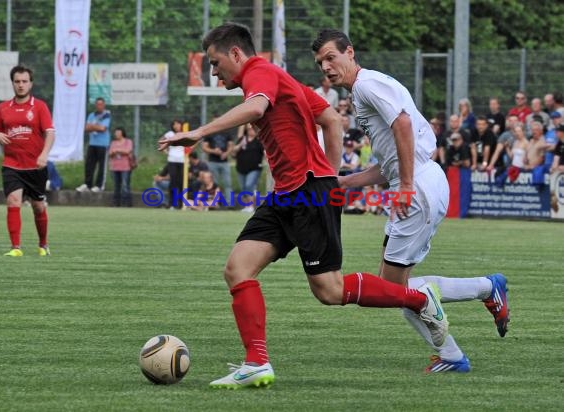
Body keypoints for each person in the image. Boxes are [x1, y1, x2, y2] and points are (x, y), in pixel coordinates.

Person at [159, 22, 449, 388]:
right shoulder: (281, 78)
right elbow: (330, 118)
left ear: (236, 54)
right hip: (287, 194)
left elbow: (257, 107)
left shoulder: (260, 73)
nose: (214, 72)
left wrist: (199, 133)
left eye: (215, 63)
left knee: (329, 290)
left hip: (308, 193)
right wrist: (330, 171)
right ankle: (257, 363)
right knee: (237, 269)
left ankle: (419, 300)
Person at [312, 29, 509, 373]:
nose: (326, 67)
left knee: (393, 291)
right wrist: (346, 182)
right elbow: (388, 162)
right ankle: (485, 290)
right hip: (420, 180)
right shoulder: (366, 91)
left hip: (416, 186)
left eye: (331, 57)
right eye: (320, 62)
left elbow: (402, 124)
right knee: (394, 289)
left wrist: (404, 186)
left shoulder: (365, 85)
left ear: (350, 52)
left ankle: (455, 353)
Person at [0, 65, 55, 257]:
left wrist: (44, 154)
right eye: (17, 81)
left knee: (38, 207)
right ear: (12, 83)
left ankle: (43, 244)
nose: (21, 85)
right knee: (13, 201)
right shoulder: (4, 108)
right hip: (12, 164)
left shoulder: (40, 106)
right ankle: (15, 248)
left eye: (24, 81)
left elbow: (50, 133)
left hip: (35, 166)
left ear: (31, 83)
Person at [76, 97, 111, 193]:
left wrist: (93, 127)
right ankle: (87, 184)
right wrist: (95, 127)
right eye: (97, 104)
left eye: (101, 104)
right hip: (92, 143)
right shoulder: (91, 115)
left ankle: (99, 185)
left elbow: (103, 128)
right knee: (89, 165)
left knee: (102, 166)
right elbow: (86, 128)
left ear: (104, 105)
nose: (99, 106)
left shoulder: (106, 115)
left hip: (103, 144)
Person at [201, 115, 234, 204]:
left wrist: (226, 153)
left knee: (228, 183)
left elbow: (231, 146)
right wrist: (214, 151)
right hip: (212, 162)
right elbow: (204, 148)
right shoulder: (209, 133)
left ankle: (229, 203)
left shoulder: (227, 132)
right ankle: (214, 203)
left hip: (225, 162)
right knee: (213, 184)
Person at [233, 123, 264, 212]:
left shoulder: (259, 140)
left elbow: (265, 152)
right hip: (241, 168)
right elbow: (233, 152)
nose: (251, 131)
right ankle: (247, 206)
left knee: (249, 185)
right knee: (244, 188)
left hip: (255, 168)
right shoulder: (242, 139)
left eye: (252, 129)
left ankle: (250, 206)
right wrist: (239, 145)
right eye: (249, 129)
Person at [162, 120, 185, 209]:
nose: (176, 126)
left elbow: (195, 141)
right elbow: (161, 141)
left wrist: (189, 150)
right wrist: (165, 151)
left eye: (178, 124)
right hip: (172, 160)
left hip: (182, 161)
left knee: (181, 182)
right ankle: (172, 203)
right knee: (173, 182)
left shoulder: (185, 133)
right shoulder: (170, 134)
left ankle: (181, 203)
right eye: (174, 124)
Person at [108, 127, 133, 207]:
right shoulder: (113, 143)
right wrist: (114, 152)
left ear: (122, 133)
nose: (116, 134)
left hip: (125, 167)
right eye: (116, 133)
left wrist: (118, 151)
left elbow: (128, 151)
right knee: (116, 185)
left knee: (125, 185)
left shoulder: (128, 142)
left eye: (118, 133)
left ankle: (126, 203)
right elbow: (110, 153)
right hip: (115, 167)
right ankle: (116, 203)